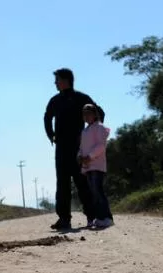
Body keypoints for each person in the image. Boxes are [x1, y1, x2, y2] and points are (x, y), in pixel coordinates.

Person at [44, 68, 98, 231]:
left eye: (57, 80)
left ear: (66, 80)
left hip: (78, 148)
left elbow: (98, 112)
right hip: (61, 148)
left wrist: (91, 133)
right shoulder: (55, 100)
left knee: (82, 182)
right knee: (62, 184)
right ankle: (64, 219)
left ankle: (92, 215)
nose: (55, 83)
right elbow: (47, 117)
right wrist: (51, 135)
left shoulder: (82, 98)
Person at [78, 104, 113, 230]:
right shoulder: (85, 130)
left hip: (97, 165)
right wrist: (80, 157)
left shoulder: (99, 127)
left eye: (88, 113)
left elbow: (101, 146)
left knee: (98, 191)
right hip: (88, 166)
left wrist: (89, 156)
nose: (86, 116)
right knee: (93, 193)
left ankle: (107, 218)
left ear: (94, 114)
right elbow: (82, 148)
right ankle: (99, 218)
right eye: (84, 113)